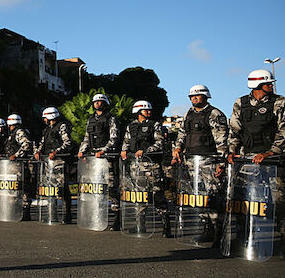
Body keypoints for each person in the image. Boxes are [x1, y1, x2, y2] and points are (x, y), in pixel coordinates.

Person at [227, 69, 285, 259]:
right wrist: (231, 152)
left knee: (279, 202)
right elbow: (234, 131)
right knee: (244, 201)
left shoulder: (279, 102)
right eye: (267, 84)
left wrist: (271, 152)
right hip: (248, 160)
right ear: (257, 86)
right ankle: (243, 238)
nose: (271, 86)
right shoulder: (241, 103)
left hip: (273, 160)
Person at [172, 85, 228, 246]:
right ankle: (207, 229)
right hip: (192, 162)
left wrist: (221, 164)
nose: (194, 98)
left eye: (198, 96)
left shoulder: (214, 114)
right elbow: (182, 134)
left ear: (206, 96)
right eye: (192, 96)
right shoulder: (188, 114)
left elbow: (221, 140)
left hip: (210, 161)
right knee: (200, 197)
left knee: (214, 197)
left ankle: (219, 233)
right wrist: (177, 148)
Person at [121, 100, 170, 237]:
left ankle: (166, 226)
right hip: (136, 166)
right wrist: (124, 151)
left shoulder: (155, 125)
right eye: (145, 110)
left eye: (149, 110)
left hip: (152, 165)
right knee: (140, 196)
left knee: (158, 195)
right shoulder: (131, 126)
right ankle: (140, 225)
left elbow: (160, 143)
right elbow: (126, 141)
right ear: (138, 111)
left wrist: (146, 150)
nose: (149, 112)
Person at [77, 94, 121, 230]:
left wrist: (104, 150)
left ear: (105, 103)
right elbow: (86, 137)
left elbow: (114, 137)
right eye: (96, 102)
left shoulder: (111, 118)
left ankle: (116, 218)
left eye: (100, 102)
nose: (98, 104)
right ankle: (97, 216)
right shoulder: (90, 119)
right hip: (93, 158)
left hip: (106, 157)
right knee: (95, 187)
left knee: (111, 187)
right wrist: (82, 151)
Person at [35, 107, 74, 223]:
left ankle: (67, 215)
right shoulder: (47, 130)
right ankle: (53, 214)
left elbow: (68, 143)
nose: (44, 120)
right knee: (50, 188)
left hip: (60, 162)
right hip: (49, 163)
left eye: (45, 117)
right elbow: (42, 143)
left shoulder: (62, 127)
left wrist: (56, 152)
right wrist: (38, 152)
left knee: (62, 188)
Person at [5, 114, 34, 221]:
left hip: (20, 165)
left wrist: (16, 155)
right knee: (14, 188)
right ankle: (16, 211)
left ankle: (25, 212)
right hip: (12, 166)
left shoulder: (19, 132)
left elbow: (26, 144)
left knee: (23, 187)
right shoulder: (13, 133)